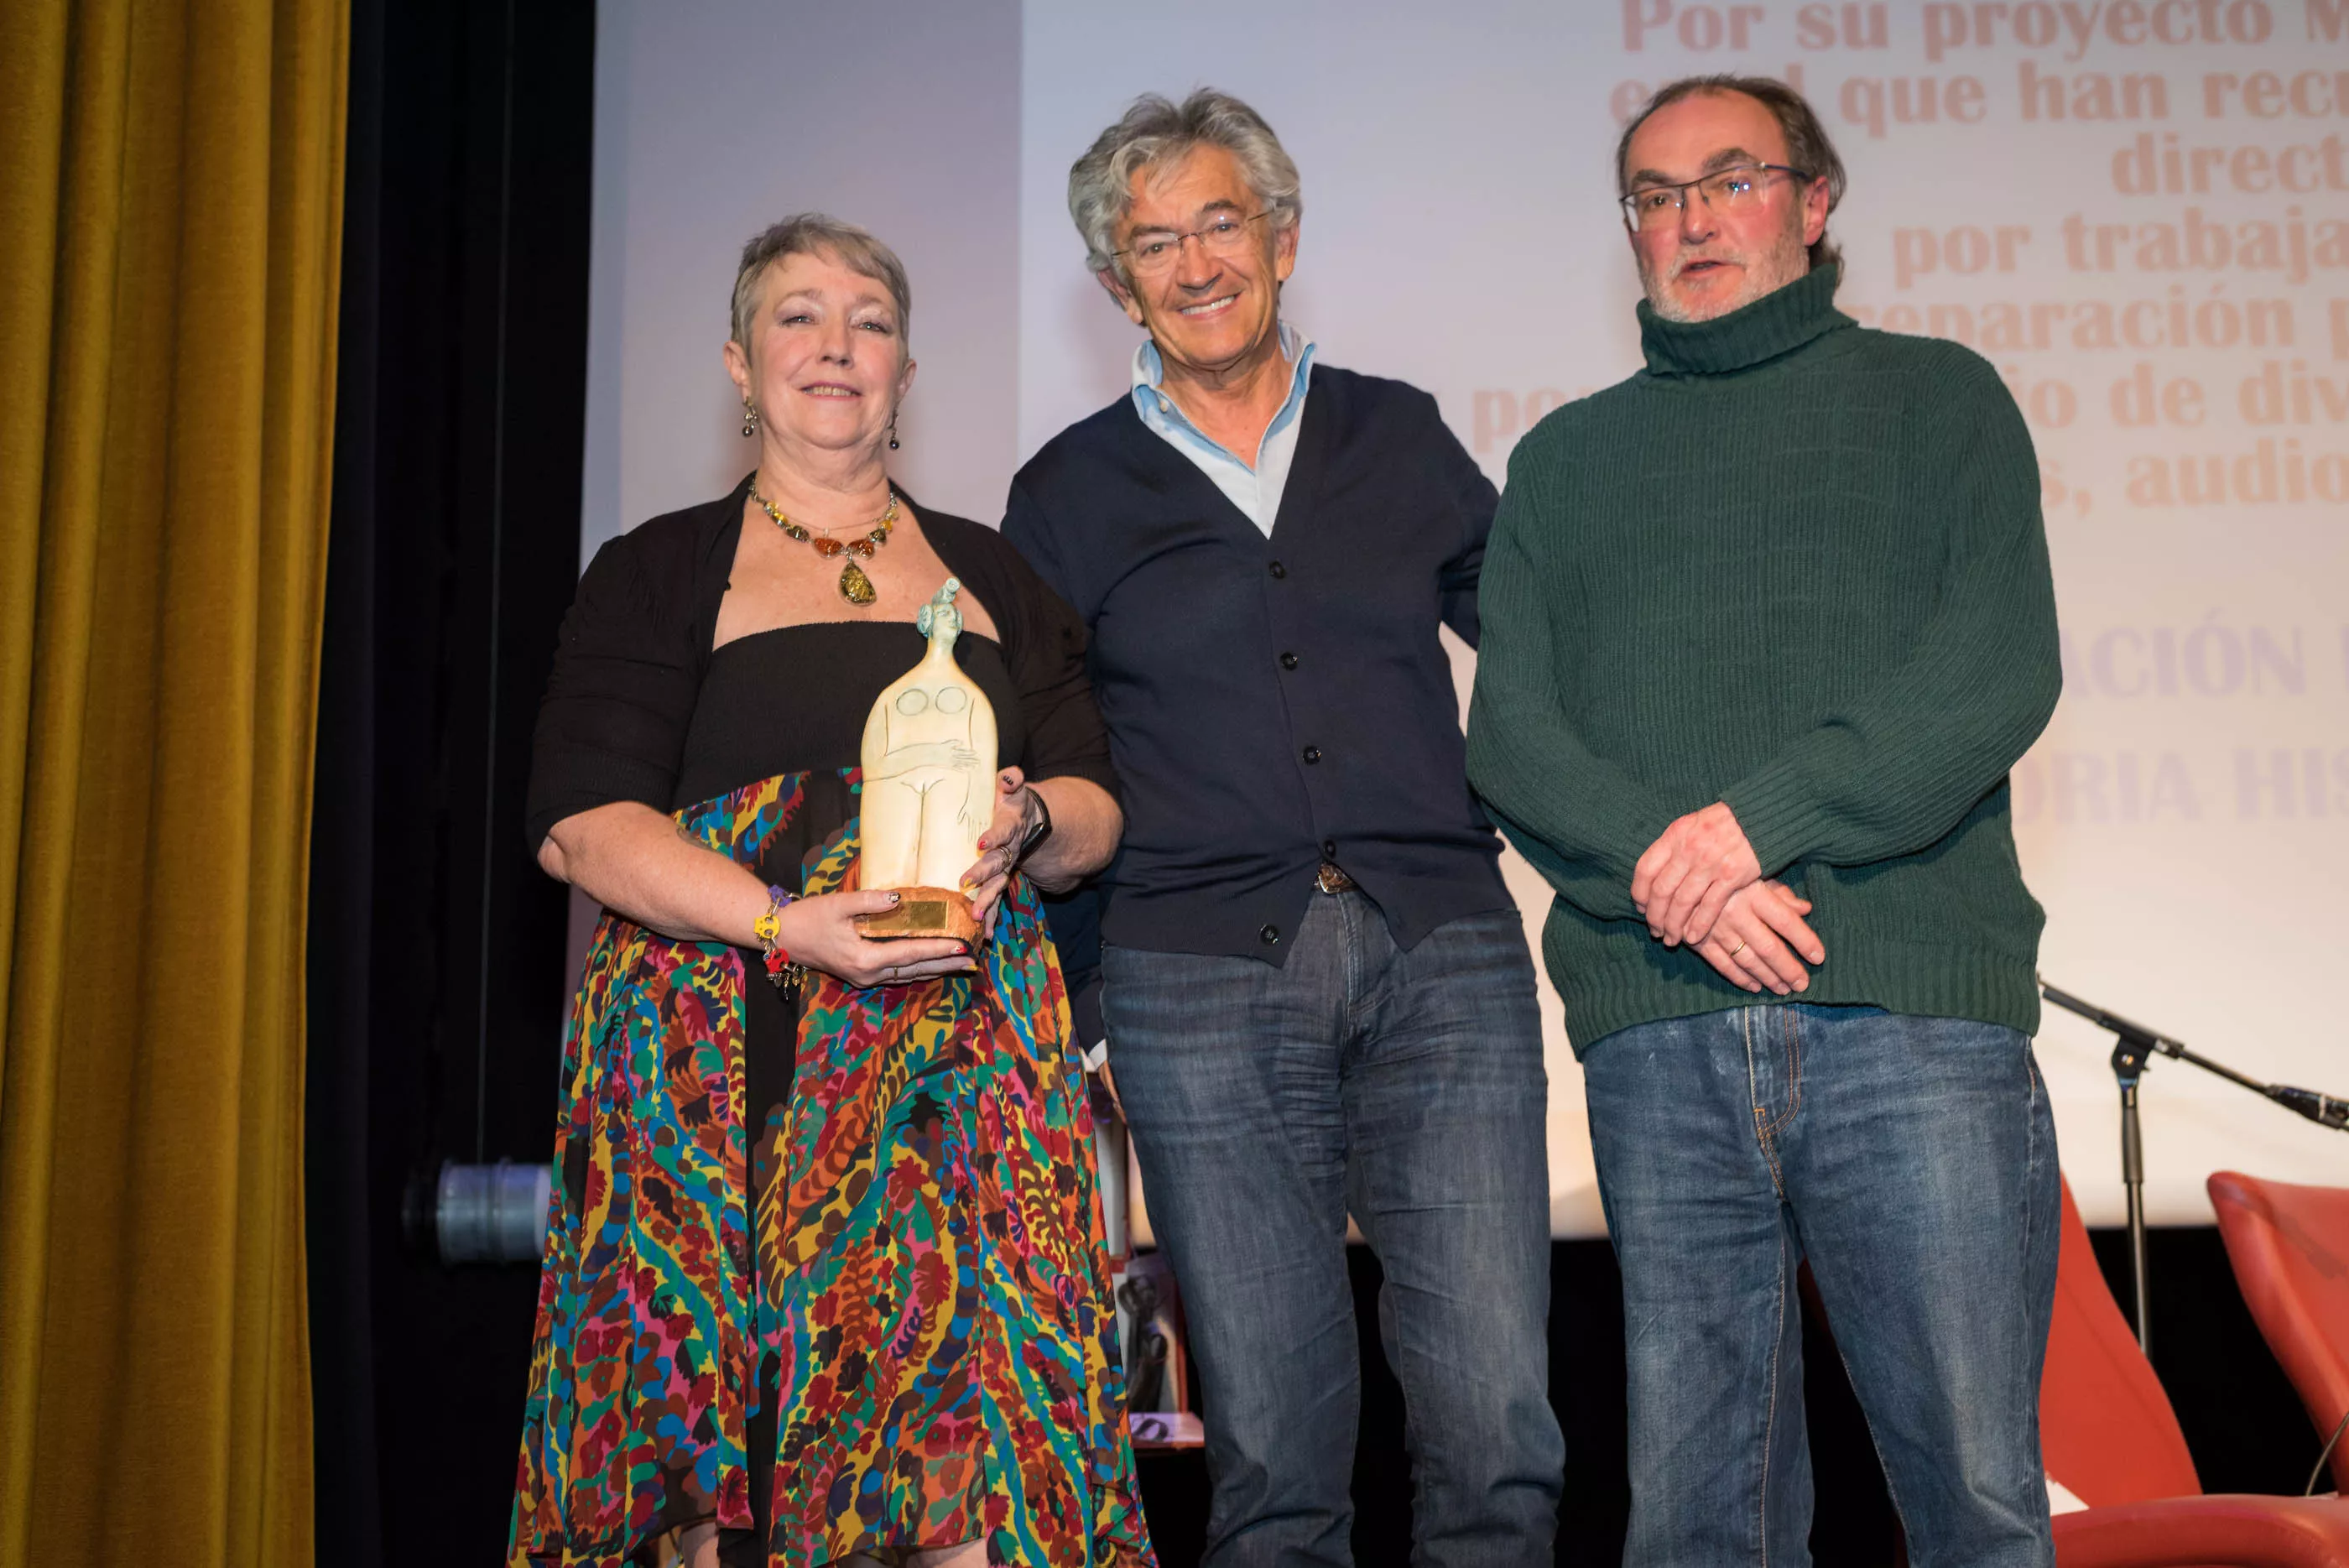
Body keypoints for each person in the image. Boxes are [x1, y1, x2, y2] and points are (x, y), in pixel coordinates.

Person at [1466, 75, 2064, 1564]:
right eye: (1655, 198)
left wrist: (1751, 825)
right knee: (1694, 1525)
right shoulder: (1561, 460)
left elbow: (1993, 674)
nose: (1690, 220)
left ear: (1814, 199)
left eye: (1727, 180)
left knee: (1977, 1506)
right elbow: (1515, 742)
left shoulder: (1941, 400)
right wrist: (1693, 882)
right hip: (1663, 1034)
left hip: (1910, 1024)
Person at [508, 214, 1154, 1568]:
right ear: (740, 367)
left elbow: (1097, 807)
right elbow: (581, 827)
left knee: (975, 1457)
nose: (835, 343)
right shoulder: (660, 569)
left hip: (959, 1081)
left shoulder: (995, 571)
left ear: (907, 370)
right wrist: (782, 925)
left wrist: (1031, 814)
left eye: (868, 317)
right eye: (797, 315)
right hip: (724, 1065)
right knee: (720, 1469)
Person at [1005, 91, 1563, 1567]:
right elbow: (1044, 756)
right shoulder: (1062, 494)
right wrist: (1085, 1002)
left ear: (1283, 236)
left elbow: (1544, 646)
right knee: (1274, 1464)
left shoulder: (1398, 430)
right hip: (1194, 979)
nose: (1194, 263)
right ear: (1114, 286)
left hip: (1446, 957)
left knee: (1501, 1434)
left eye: (1220, 222)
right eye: (1152, 243)